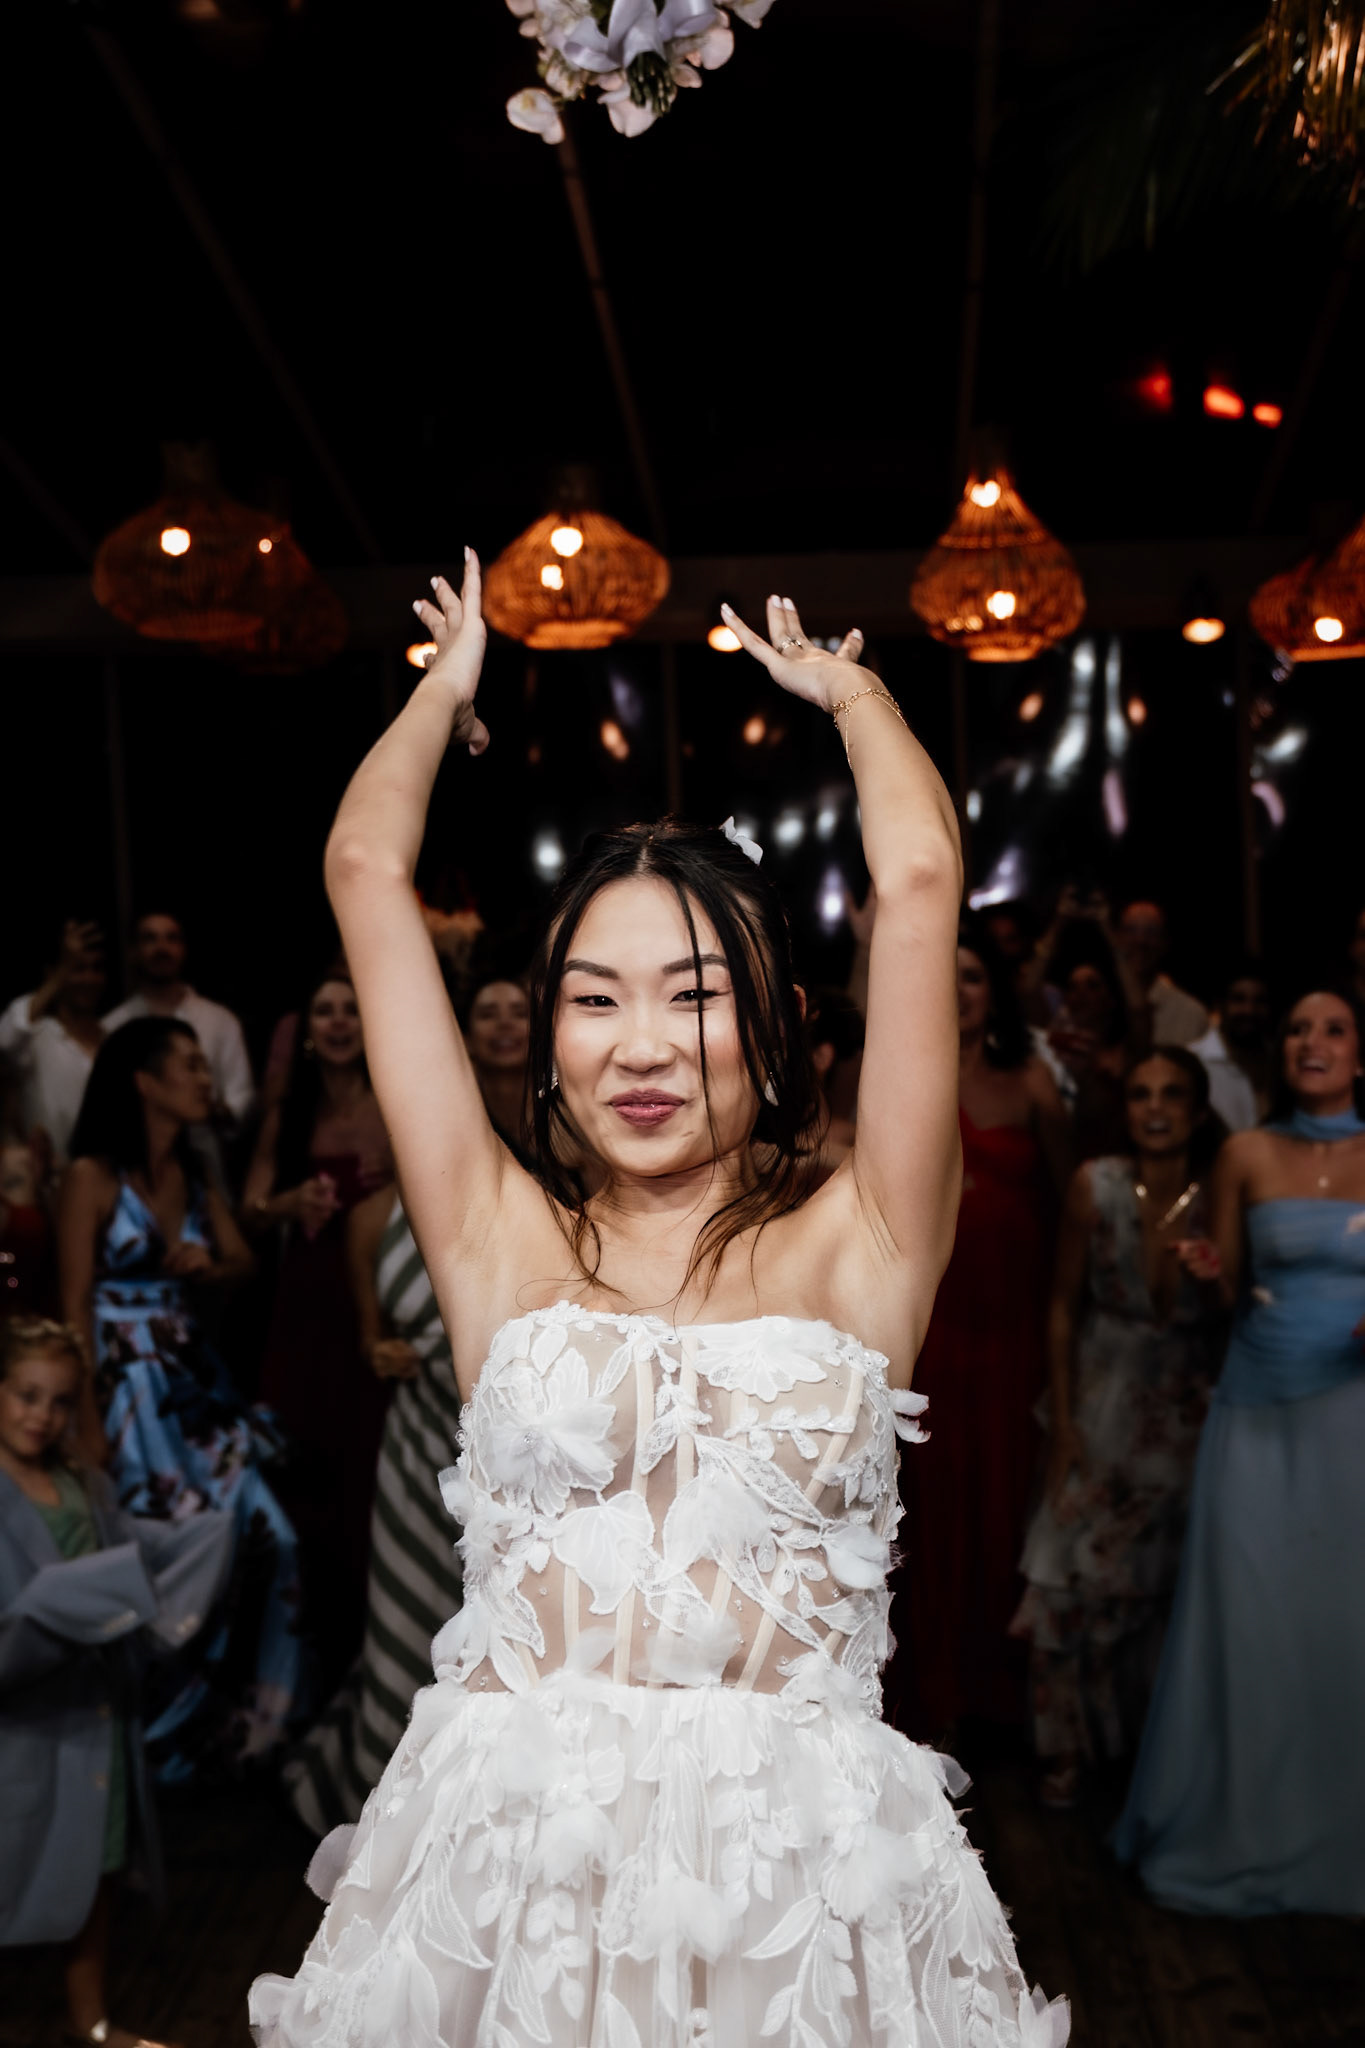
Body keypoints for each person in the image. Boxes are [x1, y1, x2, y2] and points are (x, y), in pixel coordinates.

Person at [249, 566, 1068, 2046]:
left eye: (694, 994)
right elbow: (365, 866)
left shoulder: (867, 1243)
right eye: (594, 996)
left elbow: (918, 883)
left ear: (778, 1025)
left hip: (806, 1899)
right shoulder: (496, 1240)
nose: (641, 1046)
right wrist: (443, 693)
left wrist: (853, 693)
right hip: (512, 1893)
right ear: (550, 1031)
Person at [1114, 989, 1365, 1916]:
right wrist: (1213, 1273)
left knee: (1344, 1620)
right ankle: (1249, 1823)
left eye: (1332, 1028)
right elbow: (1220, 1289)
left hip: (1352, 1409)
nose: (1310, 1041)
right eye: (1297, 1028)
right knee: (1257, 1620)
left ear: (1359, 1053)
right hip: (1256, 1407)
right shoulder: (1246, 1153)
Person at [285, 971, 530, 1833]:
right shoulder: (371, 1217)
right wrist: (381, 1350)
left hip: (505, 1438)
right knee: (410, 1607)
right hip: (416, 1433)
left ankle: (494, 1806)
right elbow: (370, 1337)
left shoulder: (520, 1188)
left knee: (501, 1614)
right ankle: (397, 1807)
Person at [60, 1018, 303, 1777]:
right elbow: (71, 1306)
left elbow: (243, 1263)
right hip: (123, 1397)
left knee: (269, 1537)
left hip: (193, 1388)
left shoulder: (194, 1173)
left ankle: (240, 1732)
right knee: (146, 1558)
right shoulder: (92, 1176)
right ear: (144, 1082)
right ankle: (145, 1745)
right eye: (191, 1066)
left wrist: (207, 1262)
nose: (207, 1079)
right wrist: (86, 1423)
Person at [0, 1316, 230, 2048]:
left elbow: (130, 1548)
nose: (43, 1415)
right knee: (14, 1852)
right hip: (22, 1716)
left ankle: (91, 2018)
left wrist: (203, 1537)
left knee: (95, 1863)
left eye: (61, 1401)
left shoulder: (80, 1483)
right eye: (27, 1395)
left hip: (91, 1709)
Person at [1010, 1049, 1224, 1810]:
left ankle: (1149, 1757)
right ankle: (1066, 1752)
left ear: (1198, 1109)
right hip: (1104, 1398)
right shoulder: (1093, 1183)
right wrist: (1065, 1422)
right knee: (1070, 1570)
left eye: (1172, 1094)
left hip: (1189, 1406)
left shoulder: (1220, 1192)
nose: (1155, 1108)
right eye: (1140, 1095)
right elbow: (1062, 1306)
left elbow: (1241, 1303)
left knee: (1166, 1584)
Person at [884, 917, 1069, 1741]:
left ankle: (1006, 1704)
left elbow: (1069, 1209)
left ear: (994, 992)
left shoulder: (1030, 1083)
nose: (957, 991)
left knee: (1007, 1502)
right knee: (927, 1514)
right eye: (943, 973)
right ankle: (934, 1700)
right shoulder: (894, 1080)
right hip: (929, 1331)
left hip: (1012, 1328)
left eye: (972, 975)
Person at [244, 971, 394, 1686]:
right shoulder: (291, 1110)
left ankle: (370, 1643)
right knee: (300, 1458)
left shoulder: (393, 1102)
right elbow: (248, 1208)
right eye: (324, 1012)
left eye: (350, 1011)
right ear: (305, 1033)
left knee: (366, 1466)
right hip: (304, 1304)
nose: (337, 1023)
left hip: (372, 1301)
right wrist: (287, 1202)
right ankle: (305, 1655)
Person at [103, 911, 255, 1138]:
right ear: (133, 951)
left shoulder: (220, 1020)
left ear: (183, 949)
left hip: (207, 1147)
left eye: (171, 938)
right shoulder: (113, 1025)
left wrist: (200, 1112)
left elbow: (240, 1097)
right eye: (150, 938)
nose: (162, 948)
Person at [0, 918, 107, 1169]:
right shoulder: (37, 1036)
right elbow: (4, 1040)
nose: (88, 979)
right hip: (49, 1180)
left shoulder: (113, 1035)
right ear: (53, 973)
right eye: (78, 968)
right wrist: (63, 970)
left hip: (105, 1179)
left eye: (96, 968)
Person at [1189, 961, 1273, 1132]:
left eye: (1259, 1001)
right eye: (1238, 999)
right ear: (1219, 1005)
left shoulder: (1282, 1061)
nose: (1249, 1010)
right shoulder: (1193, 1061)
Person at [1114, 900, 1208, 1048]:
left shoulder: (1191, 1015)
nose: (1140, 941)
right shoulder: (1099, 1005)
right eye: (1130, 930)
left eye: (1151, 932)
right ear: (1116, 939)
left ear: (1165, 942)